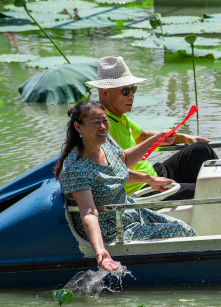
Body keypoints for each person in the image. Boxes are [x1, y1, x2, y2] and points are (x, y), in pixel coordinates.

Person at [56, 101, 197, 271]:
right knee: (180, 232)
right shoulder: (76, 168)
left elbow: (122, 163)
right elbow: (88, 211)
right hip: (112, 228)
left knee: (183, 228)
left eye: (105, 120)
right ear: (78, 127)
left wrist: (150, 177)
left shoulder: (105, 141)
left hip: (130, 210)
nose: (103, 127)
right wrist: (100, 250)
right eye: (96, 122)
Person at [87, 56, 217, 201]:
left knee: (201, 149)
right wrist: (149, 179)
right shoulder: (100, 126)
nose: (132, 95)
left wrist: (184, 138)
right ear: (105, 93)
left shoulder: (119, 116)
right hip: (139, 191)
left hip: (154, 175)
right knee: (208, 189)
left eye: (133, 89)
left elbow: (142, 136)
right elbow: (111, 170)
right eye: (126, 91)